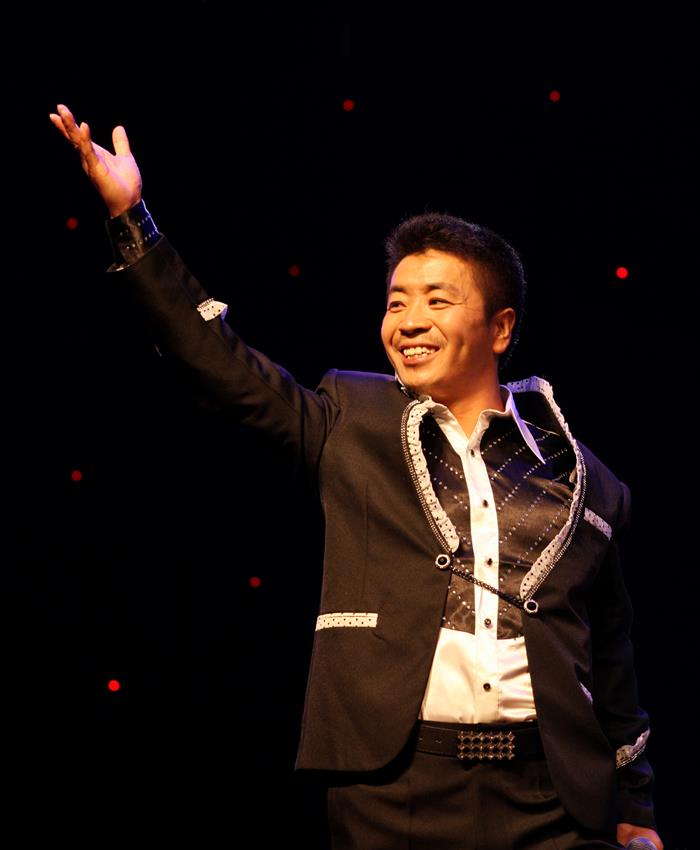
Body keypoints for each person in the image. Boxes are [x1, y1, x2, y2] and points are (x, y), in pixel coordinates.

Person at [50, 103, 663, 850]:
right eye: (397, 302)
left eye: (437, 300)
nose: (409, 320)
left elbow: (610, 653)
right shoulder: (353, 420)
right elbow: (219, 364)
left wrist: (635, 804)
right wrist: (133, 220)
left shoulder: (579, 476)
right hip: (394, 792)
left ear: (500, 328)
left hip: (555, 801)